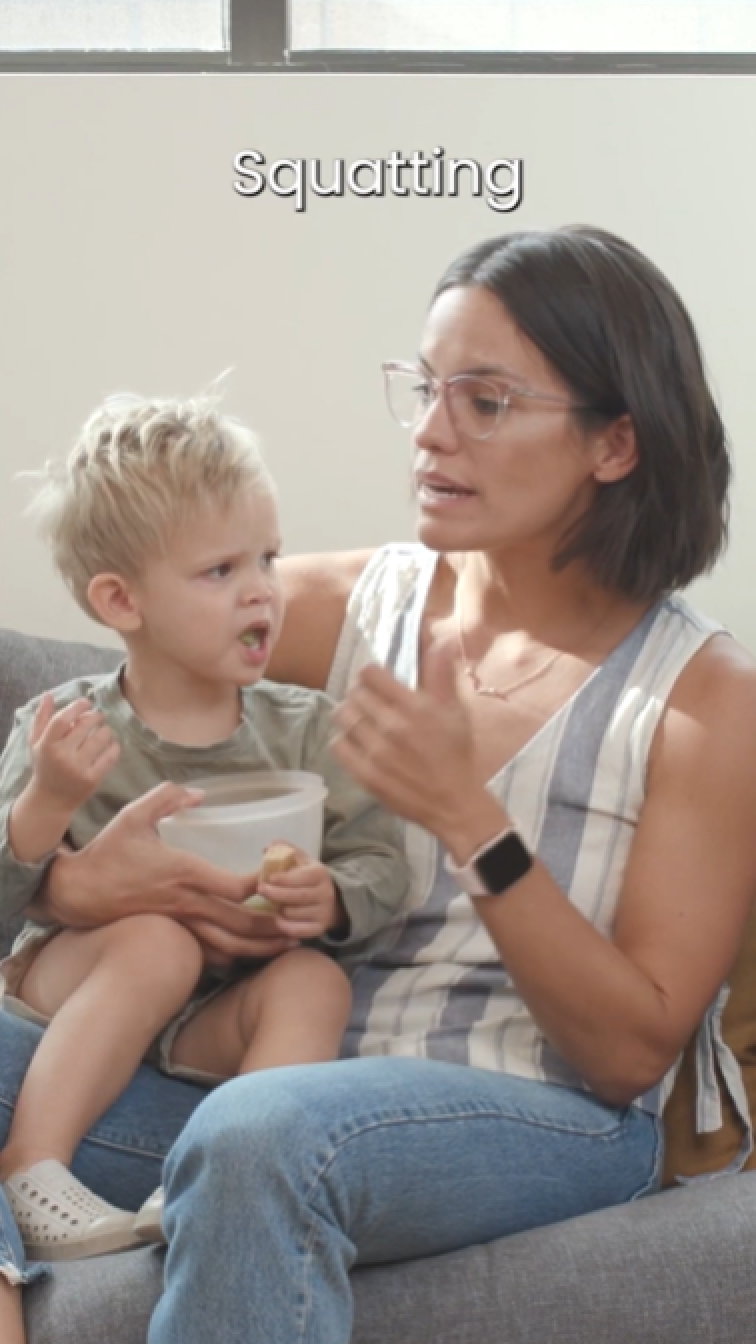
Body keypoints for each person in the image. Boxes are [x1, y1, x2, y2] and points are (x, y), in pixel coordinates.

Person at [0, 223, 755, 1343]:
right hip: (259, 1076)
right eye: (426, 388)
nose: (431, 434)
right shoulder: (343, 607)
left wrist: (470, 818)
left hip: (536, 1109)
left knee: (264, 1130)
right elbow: (144, 626)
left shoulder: (705, 701)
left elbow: (630, 1052)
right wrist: (70, 889)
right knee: (255, 1117)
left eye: (486, 401)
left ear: (615, 444)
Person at [0, 393, 407, 1267]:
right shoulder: (63, 727)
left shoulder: (305, 728)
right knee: (155, 940)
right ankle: (32, 1165)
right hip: (68, 991)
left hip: (210, 1019)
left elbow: (382, 863)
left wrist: (329, 896)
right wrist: (47, 803)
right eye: (220, 570)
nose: (263, 586)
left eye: (268, 556)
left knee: (312, 982)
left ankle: (219, 1170)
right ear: (121, 599)